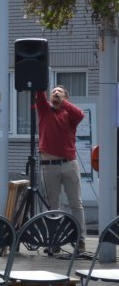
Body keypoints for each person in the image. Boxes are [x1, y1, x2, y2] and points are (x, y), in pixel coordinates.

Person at [35, 85, 87, 253]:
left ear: (66, 97)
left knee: (76, 203)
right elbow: (39, 95)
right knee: (52, 205)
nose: (55, 92)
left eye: (60, 91)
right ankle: (54, 241)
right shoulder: (44, 110)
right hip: (49, 166)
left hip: (69, 164)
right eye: (53, 91)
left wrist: (62, 103)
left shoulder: (69, 114)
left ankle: (80, 240)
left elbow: (80, 114)